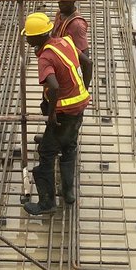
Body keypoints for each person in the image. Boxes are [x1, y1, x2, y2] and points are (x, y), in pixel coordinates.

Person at [22, 12, 91, 216]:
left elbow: (53, 86)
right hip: (79, 106)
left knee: (46, 153)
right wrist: (83, 90)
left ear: (37, 37)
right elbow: (88, 63)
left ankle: (47, 203)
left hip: (63, 112)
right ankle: (68, 193)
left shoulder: (45, 57)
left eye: (29, 36)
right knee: (69, 146)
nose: (26, 39)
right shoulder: (65, 42)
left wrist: (51, 115)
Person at [51, 0, 92, 71]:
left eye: (64, 1)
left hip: (69, 69)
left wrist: (84, 84)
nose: (59, 3)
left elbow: (86, 59)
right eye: (59, 0)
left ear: (73, 1)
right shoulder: (60, 13)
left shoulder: (76, 25)